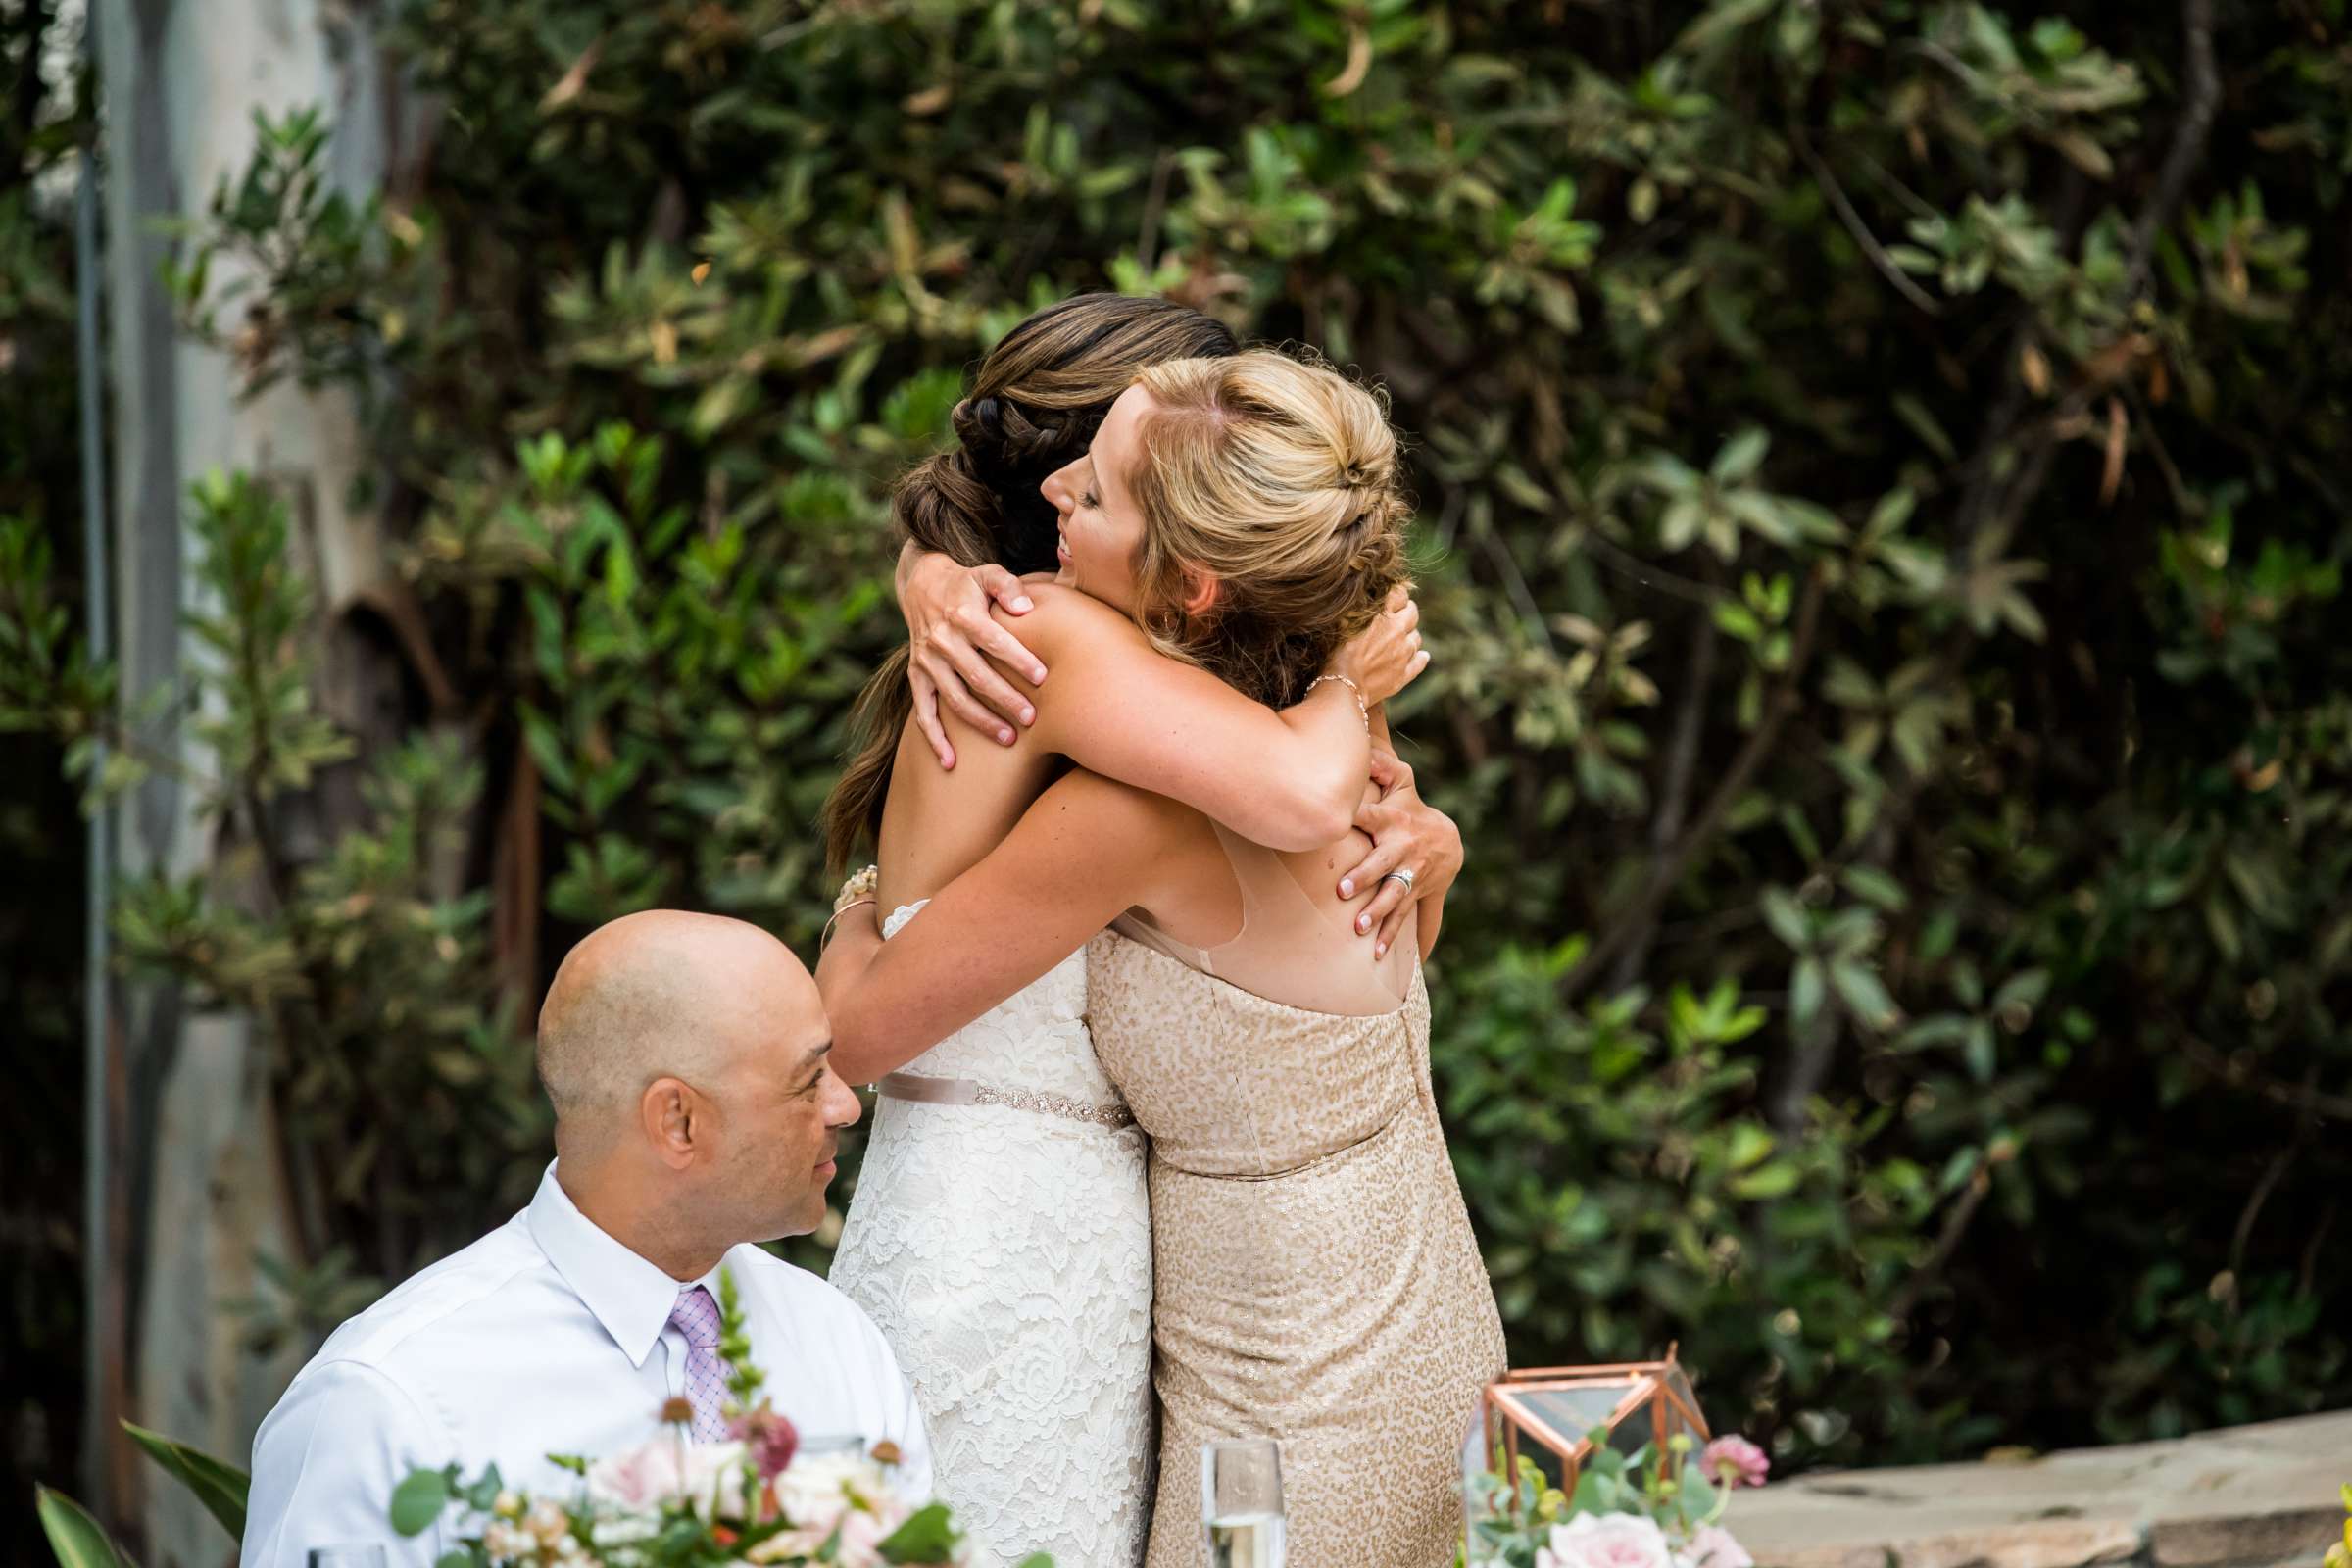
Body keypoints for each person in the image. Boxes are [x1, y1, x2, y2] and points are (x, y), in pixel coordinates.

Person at [820, 350, 1506, 1568]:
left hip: (1291, 1385)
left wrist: (859, 908)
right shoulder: (1333, 737)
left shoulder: (1153, 802)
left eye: (1092, 497)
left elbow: (862, 1028)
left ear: (1192, 587)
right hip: (1417, 1323)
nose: (1057, 495)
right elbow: (1379, 964)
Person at [240, 911, 930, 1566]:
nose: (845, 1104)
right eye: (808, 1081)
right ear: (678, 1122)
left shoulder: (841, 1345)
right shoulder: (387, 1404)